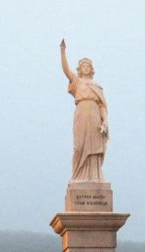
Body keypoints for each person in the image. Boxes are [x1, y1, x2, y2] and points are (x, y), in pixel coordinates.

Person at [60, 39, 108, 182]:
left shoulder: (97, 86)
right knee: (79, 146)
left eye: (88, 65)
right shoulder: (77, 82)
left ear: (91, 69)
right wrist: (63, 52)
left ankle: (94, 176)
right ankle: (78, 176)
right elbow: (66, 71)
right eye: (83, 65)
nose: (86, 67)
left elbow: (102, 106)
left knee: (94, 146)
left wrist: (105, 120)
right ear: (79, 69)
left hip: (95, 115)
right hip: (81, 113)